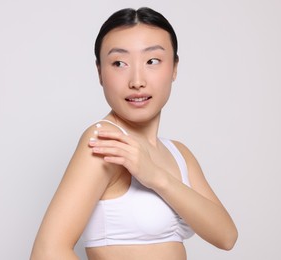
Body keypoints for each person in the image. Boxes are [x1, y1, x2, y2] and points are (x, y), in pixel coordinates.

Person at [30, 7, 238, 260]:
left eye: (152, 61)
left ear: (174, 68)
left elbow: (226, 237)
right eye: (119, 63)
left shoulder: (179, 153)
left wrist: (156, 177)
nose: (137, 80)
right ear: (99, 72)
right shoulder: (105, 142)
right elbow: (48, 251)